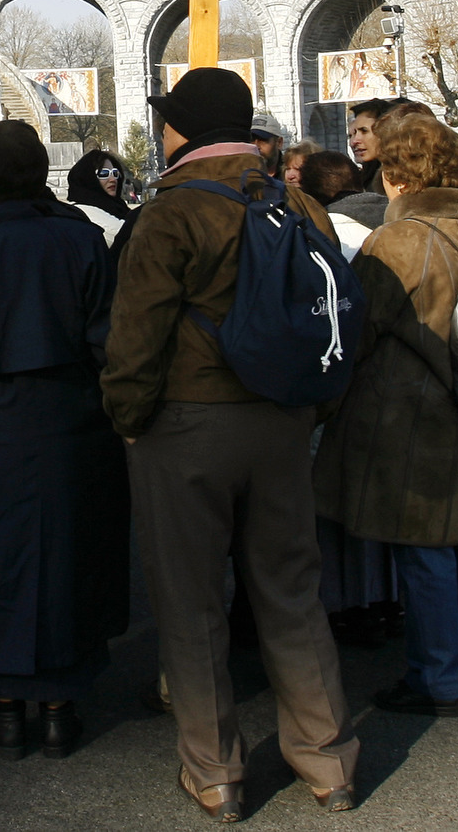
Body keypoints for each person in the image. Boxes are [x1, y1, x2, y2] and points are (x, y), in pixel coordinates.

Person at [101, 67, 359, 818]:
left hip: (186, 424)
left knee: (190, 601)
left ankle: (215, 770)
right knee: (290, 590)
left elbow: (136, 337)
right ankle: (329, 760)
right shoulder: (295, 200)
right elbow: (331, 307)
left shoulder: (171, 212)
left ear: (183, 129)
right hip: (281, 419)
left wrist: (128, 414)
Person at [0, 120, 127, 759]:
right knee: (66, 554)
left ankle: (5, 706)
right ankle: (61, 705)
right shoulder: (79, 235)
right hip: (67, 416)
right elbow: (103, 334)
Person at [315, 112, 458, 717]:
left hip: (413, 417)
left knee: (425, 550)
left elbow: (355, 330)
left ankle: (437, 679)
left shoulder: (397, 240)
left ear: (398, 174)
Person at [65, 149, 133, 244]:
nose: (113, 179)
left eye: (115, 173)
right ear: (88, 178)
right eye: (104, 174)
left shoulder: (118, 207)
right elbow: (129, 236)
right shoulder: (83, 211)